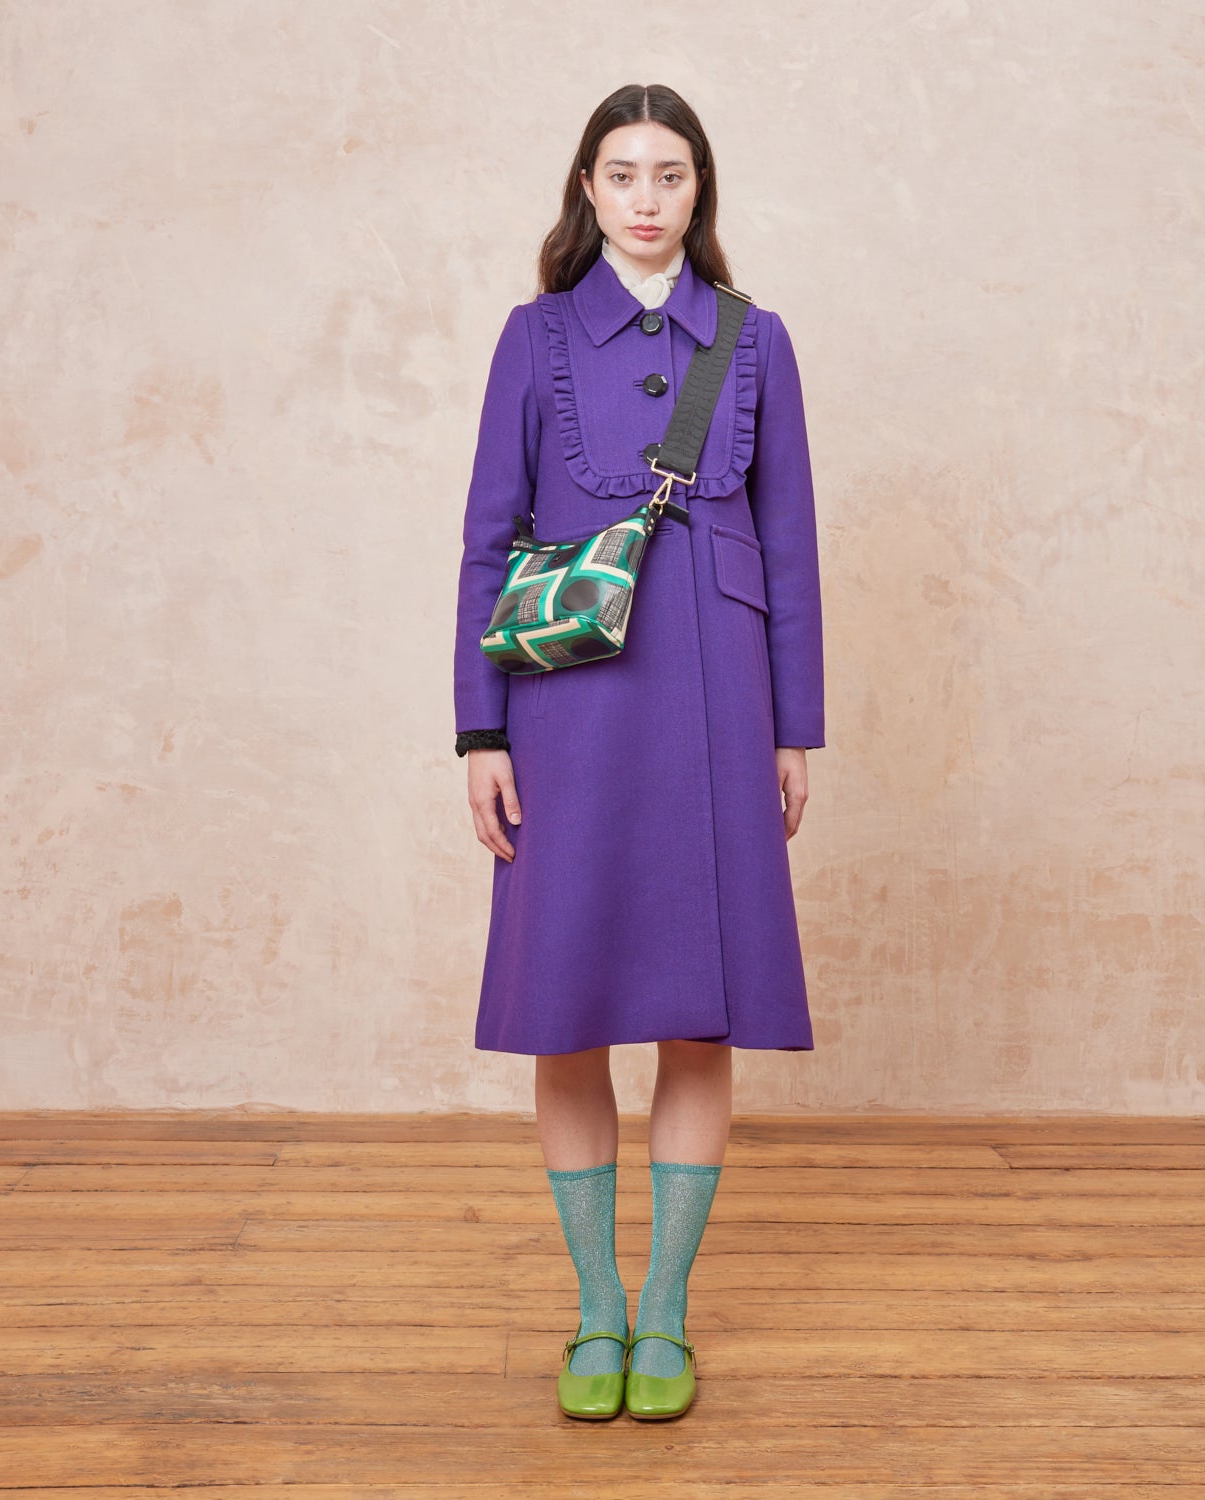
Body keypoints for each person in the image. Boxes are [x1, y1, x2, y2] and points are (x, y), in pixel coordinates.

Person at [451, 83, 825, 1422]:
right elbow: (487, 539)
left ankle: (663, 1309)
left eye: (671, 174)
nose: (648, 198)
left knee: (698, 1011)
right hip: (567, 709)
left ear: (699, 188)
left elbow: (791, 544)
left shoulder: (756, 339)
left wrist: (794, 729)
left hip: (723, 702)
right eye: (623, 174)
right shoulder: (535, 335)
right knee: (566, 1009)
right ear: (589, 189)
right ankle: (595, 1309)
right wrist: (481, 730)